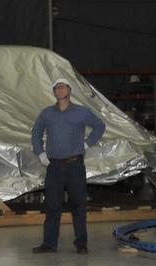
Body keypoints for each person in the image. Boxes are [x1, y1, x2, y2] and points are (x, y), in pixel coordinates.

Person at [30, 77, 106, 255]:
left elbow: (99, 126)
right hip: (54, 167)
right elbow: (36, 132)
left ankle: (81, 244)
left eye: (63, 87)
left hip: (74, 165)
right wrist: (40, 152)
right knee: (52, 205)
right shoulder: (47, 113)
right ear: (54, 92)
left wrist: (87, 143)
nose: (60, 90)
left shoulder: (81, 112)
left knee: (79, 205)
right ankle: (49, 244)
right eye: (57, 88)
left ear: (69, 90)